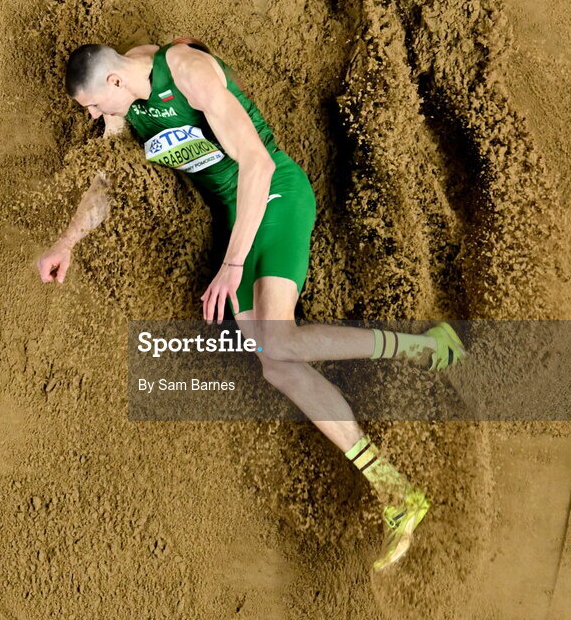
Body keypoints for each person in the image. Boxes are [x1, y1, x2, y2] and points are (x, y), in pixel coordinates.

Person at [36, 38, 468, 570]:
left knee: (277, 340)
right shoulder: (126, 101)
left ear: (114, 82)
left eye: (96, 107)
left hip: (275, 197)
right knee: (276, 366)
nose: (98, 118)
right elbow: (107, 181)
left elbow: (258, 166)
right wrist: (66, 242)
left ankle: (421, 347)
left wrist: (232, 266)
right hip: (235, 220)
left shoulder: (188, 74)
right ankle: (394, 489)